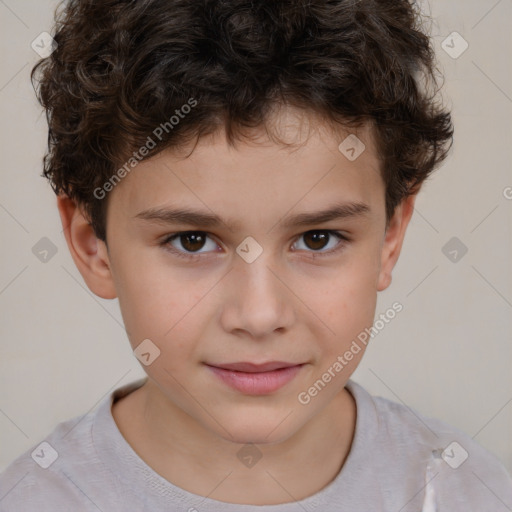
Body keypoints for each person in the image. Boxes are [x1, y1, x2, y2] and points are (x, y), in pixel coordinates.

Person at [1, 0, 511, 510]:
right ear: (95, 246)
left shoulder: (466, 492)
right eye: (192, 241)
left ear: (390, 236)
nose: (260, 315)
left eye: (318, 238)